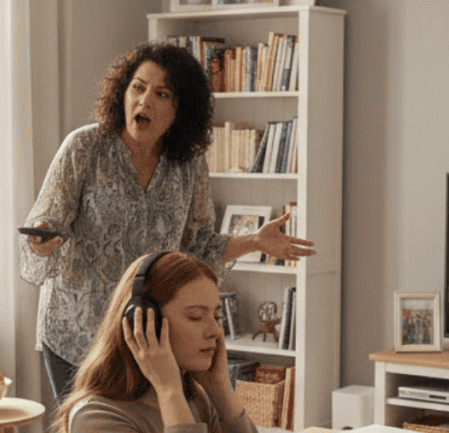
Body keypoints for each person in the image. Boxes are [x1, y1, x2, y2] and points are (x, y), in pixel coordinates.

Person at [20, 42, 315, 403]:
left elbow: (198, 246)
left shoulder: (188, 165)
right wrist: (42, 240)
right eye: (138, 87)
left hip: (145, 334)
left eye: (161, 93)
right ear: (122, 92)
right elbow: (46, 219)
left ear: (180, 109)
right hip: (74, 329)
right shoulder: (84, 147)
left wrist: (255, 242)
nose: (145, 101)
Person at [50, 251, 280, 433]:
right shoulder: (95, 419)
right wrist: (169, 390)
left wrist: (221, 390)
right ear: (144, 322)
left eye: (216, 316)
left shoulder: (195, 399)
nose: (215, 331)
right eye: (195, 316)